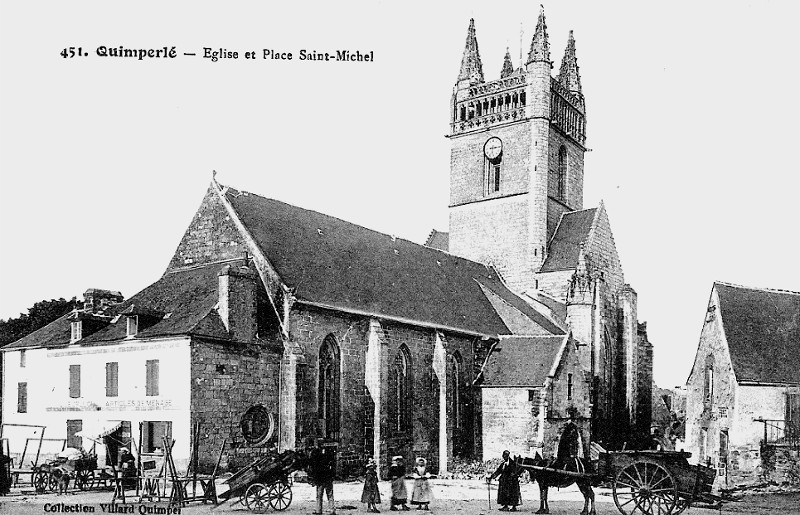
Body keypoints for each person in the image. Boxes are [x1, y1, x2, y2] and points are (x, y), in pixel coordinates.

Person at [307, 439, 336, 515]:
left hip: (320, 478)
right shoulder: (329, 452)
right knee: (330, 494)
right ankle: (332, 510)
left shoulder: (315, 452)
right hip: (328, 477)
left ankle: (319, 510)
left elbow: (312, 465)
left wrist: (313, 477)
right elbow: (333, 464)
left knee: (319, 495)